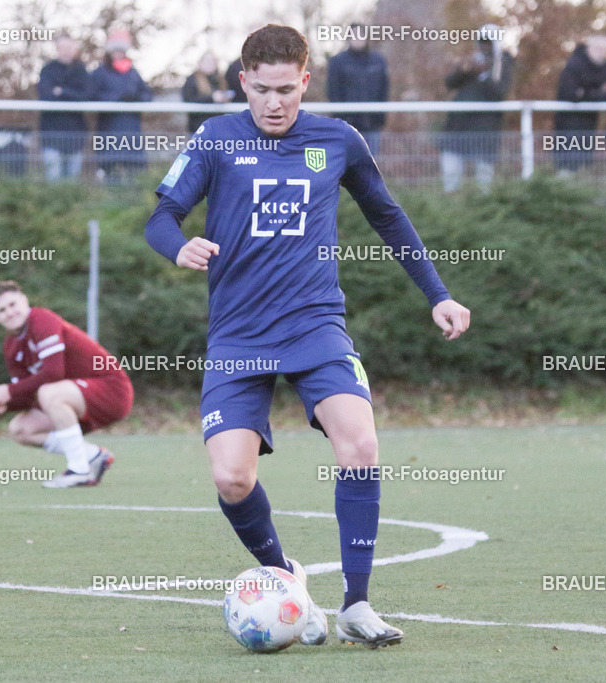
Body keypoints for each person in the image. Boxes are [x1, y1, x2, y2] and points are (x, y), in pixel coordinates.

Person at [144, 24, 471, 648]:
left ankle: (356, 604)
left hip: (316, 323)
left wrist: (439, 295)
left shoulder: (337, 139)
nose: (274, 103)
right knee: (232, 480)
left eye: (286, 91)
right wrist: (178, 245)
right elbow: (161, 216)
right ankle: (283, 574)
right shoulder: (215, 139)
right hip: (238, 334)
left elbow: (387, 214)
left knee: (360, 445)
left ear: (305, 81)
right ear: (242, 82)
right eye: (262, 90)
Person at [0, 281, 133, 488]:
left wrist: (9, 390)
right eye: (1, 310)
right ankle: (93, 455)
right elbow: (26, 395)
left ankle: (79, 470)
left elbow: (54, 373)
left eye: (13, 305)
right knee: (20, 429)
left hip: (112, 391)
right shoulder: (11, 345)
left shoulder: (41, 319)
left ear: (25, 301)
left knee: (49, 392)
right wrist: (5, 403)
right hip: (73, 398)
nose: (9, 312)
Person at [439, 25, 513, 192]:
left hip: (485, 129)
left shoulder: (503, 64)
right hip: (458, 127)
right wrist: (465, 70)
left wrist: (483, 75)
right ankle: (451, 205)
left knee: (483, 177)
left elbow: (499, 92)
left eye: (488, 42)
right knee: (451, 172)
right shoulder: (472, 61)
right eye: (482, 42)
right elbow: (450, 83)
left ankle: (483, 209)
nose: (484, 46)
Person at [88, 29, 152, 181]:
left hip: (132, 131)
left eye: (121, 50)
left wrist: (136, 99)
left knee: (135, 173)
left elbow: (147, 94)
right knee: (110, 172)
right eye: (115, 50)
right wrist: (118, 99)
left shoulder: (133, 73)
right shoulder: (100, 72)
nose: (119, 53)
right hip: (108, 130)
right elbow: (92, 96)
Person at [555, 35, 606, 174]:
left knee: (583, 168)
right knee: (566, 168)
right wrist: (599, 92)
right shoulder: (574, 64)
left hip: (590, 126)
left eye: (605, 49)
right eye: (599, 48)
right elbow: (569, 93)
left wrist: (585, 93)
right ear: (589, 48)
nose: (602, 52)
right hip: (568, 126)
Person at [326, 24, 389, 154]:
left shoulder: (378, 61)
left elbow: (384, 89)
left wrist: (380, 117)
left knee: (370, 164)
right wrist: (340, 118)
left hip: (372, 123)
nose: (358, 39)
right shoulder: (338, 62)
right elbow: (333, 91)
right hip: (347, 124)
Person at [37, 35, 89, 181]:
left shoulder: (81, 70)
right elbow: (45, 94)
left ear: (74, 49)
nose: (66, 51)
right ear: (57, 49)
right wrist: (72, 93)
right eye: (63, 48)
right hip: (51, 134)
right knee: (53, 178)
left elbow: (86, 95)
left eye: (69, 48)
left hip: (75, 135)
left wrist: (62, 91)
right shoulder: (48, 70)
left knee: (72, 180)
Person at [181, 52, 232, 133]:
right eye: (207, 61)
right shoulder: (192, 80)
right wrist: (212, 98)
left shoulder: (220, 80)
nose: (210, 64)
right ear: (200, 63)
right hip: (199, 127)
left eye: (213, 61)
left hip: (218, 128)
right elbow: (188, 100)